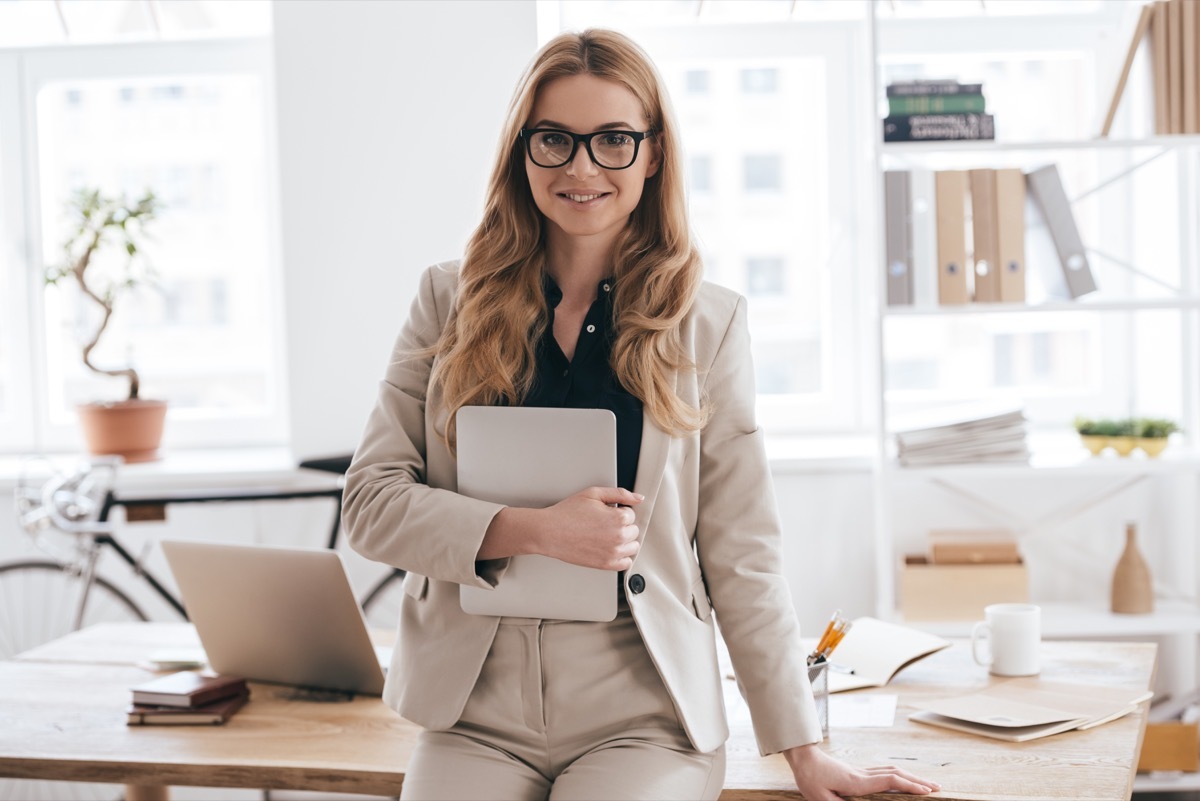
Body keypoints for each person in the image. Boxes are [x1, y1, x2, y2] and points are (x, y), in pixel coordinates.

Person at [343, 28, 941, 801]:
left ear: (653, 153)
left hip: (643, 716)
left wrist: (803, 746)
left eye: (614, 140)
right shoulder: (445, 301)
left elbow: (741, 549)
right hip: (473, 718)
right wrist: (535, 530)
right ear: (522, 150)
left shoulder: (708, 324)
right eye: (555, 140)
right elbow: (370, 505)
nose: (582, 167)